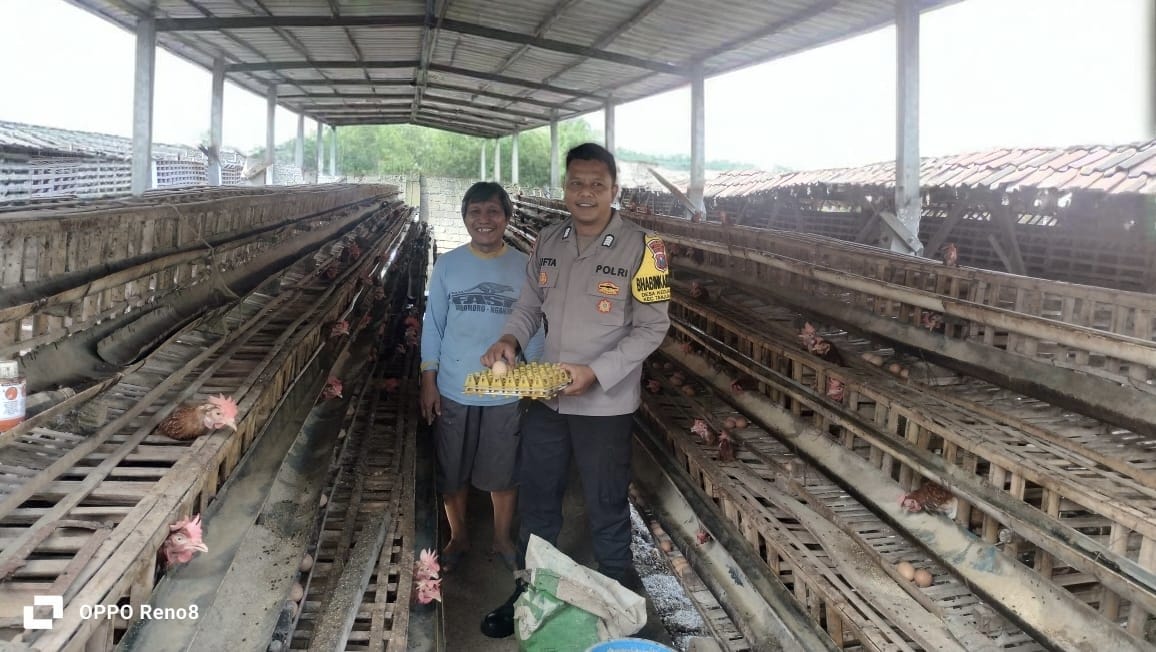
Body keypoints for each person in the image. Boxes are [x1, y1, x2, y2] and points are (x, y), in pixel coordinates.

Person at [479, 143, 671, 637]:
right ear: (565, 188)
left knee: (606, 504)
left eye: (597, 184)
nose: (586, 193)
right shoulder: (549, 240)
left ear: (614, 190)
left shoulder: (646, 250)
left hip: (605, 402)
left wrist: (597, 372)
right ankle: (531, 595)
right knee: (539, 498)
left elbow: (652, 328)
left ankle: (617, 606)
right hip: (548, 398)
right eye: (577, 183)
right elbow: (527, 306)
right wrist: (508, 339)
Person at [420, 181, 544, 574]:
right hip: (455, 386)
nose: (484, 220)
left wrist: (537, 381)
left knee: (503, 471)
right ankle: (458, 537)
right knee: (451, 469)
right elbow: (433, 325)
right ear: (466, 218)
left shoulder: (525, 265)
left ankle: (502, 537)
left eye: (493, 211)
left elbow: (536, 327)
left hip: (505, 391)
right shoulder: (448, 266)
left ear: (506, 218)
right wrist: (429, 378)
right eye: (475, 212)